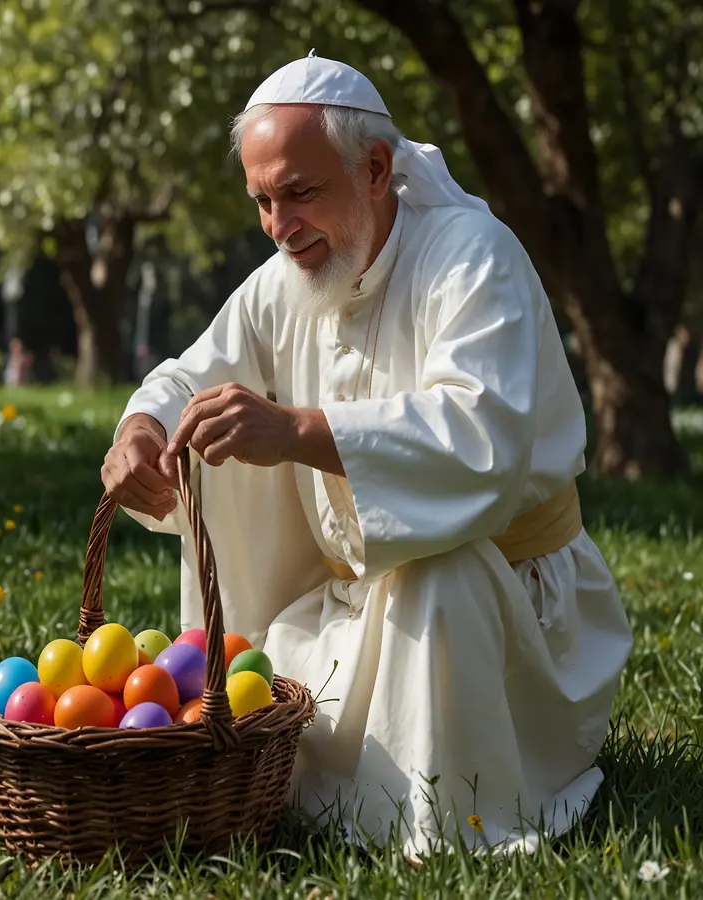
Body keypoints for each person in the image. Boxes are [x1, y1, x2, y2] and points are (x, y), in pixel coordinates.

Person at [100, 52, 632, 858]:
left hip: (504, 617)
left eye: (300, 193)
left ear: (376, 168)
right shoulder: (289, 275)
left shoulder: (471, 257)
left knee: (437, 572)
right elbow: (189, 375)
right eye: (263, 202)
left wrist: (297, 432)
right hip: (346, 600)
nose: (280, 226)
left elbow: (478, 438)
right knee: (220, 469)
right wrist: (140, 430)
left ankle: (448, 820)